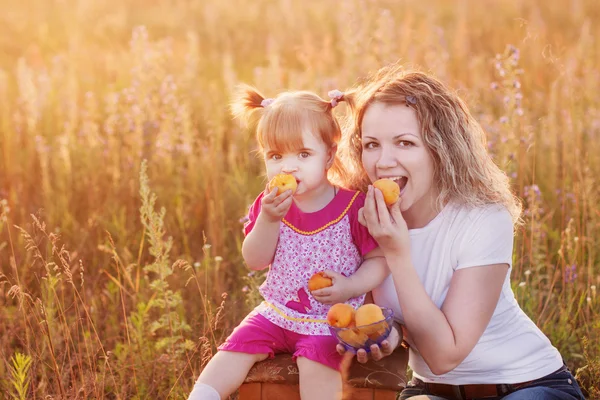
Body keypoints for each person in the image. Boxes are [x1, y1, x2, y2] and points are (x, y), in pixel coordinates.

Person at [333, 65, 586, 400]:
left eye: (405, 143)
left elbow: (444, 356)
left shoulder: (483, 218)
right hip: (431, 391)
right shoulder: (366, 218)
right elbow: (391, 315)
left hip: (526, 386)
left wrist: (396, 253)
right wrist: (385, 334)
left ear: (441, 148)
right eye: (371, 144)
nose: (383, 161)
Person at [188, 86, 389, 400]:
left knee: (316, 364)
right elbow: (254, 260)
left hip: (329, 320)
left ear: (329, 155)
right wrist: (268, 220)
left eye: (303, 154)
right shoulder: (269, 205)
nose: (288, 167)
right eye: (275, 156)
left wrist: (350, 287)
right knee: (235, 349)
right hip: (277, 312)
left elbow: (379, 261)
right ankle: (202, 396)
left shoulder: (353, 208)